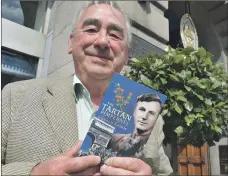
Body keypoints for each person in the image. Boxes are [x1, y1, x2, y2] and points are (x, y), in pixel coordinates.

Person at [1, 1, 173, 175]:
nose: (102, 41)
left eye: (114, 35)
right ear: (71, 43)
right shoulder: (15, 96)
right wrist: (33, 173)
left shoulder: (150, 118)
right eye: (91, 30)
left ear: (126, 55)